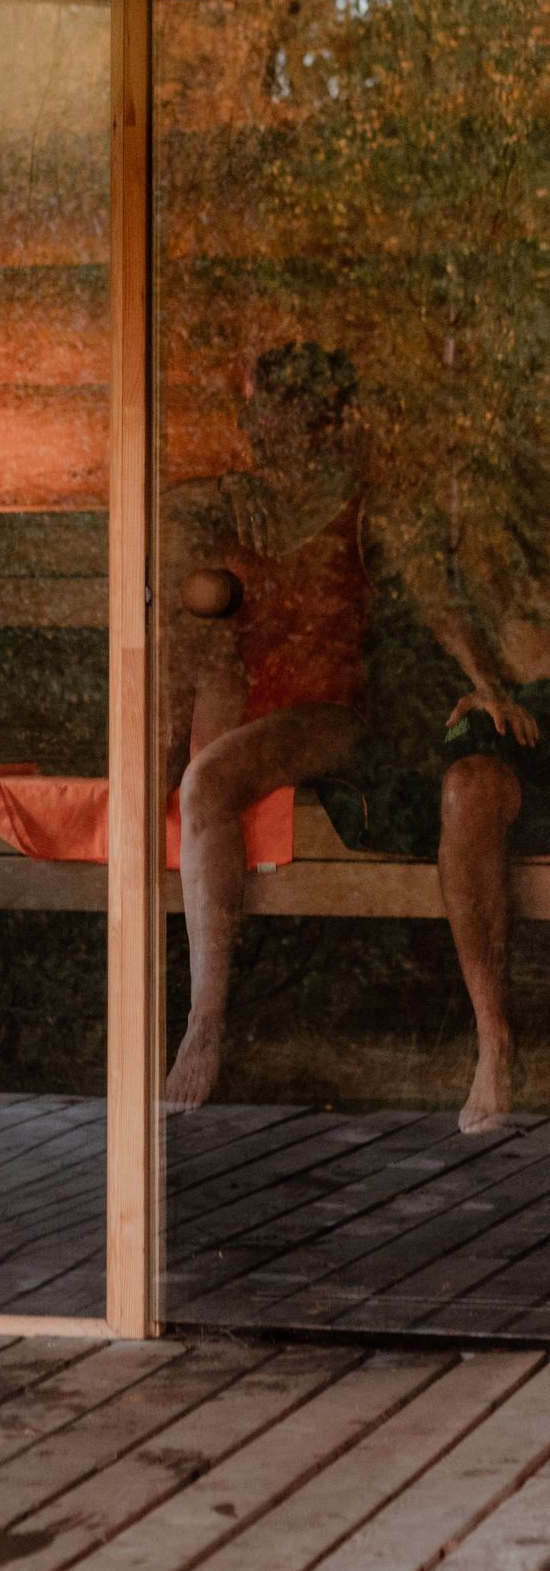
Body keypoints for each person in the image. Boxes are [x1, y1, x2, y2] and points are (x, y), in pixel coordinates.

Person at [162, 344, 372, 1111]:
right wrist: (211, 502)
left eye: (266, 406)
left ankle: (204, 1025)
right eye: (250, 408)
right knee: (198, 658)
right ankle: (151, 781)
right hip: (247, 697)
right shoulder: (236, 503)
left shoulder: (359, 503)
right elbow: (189, 583)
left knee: (208, 782)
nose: (250, 422)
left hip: (330, 709)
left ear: (311, 416)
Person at [417, 476, 550, 1133]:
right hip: (515, 705)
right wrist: (484, 685)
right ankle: (495, 1042)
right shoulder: (492, 494)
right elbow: (440, 601)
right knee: (468, 785)